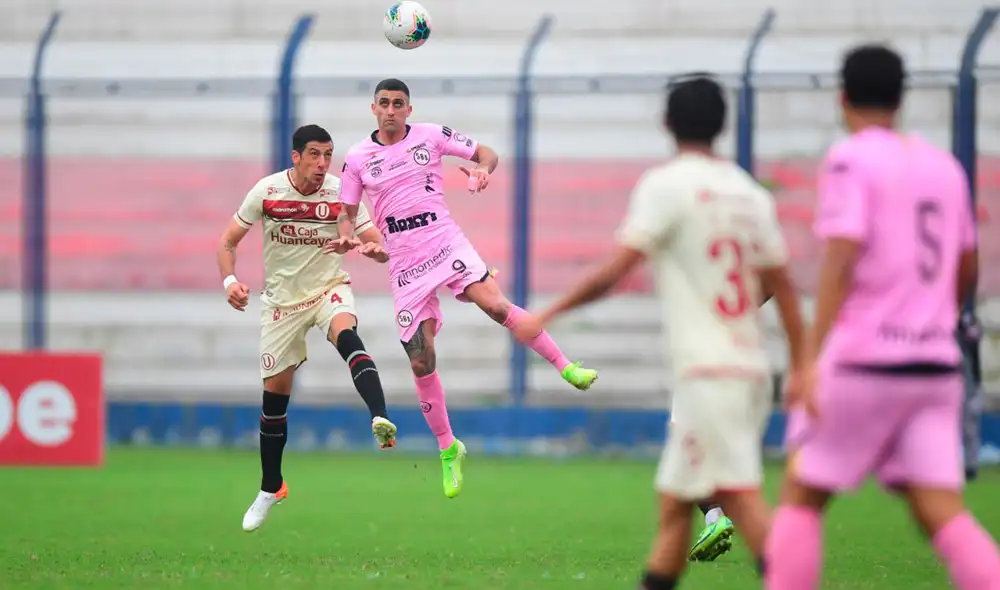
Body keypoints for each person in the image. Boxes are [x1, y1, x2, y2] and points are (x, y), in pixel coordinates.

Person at [518, 73, 806, 589]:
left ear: (667, 122)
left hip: (708, 371)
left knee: (736, 496)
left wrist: (550, 313)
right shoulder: (748, 193)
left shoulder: (667, 185)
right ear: (722, 125)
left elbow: (616, 268)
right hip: (747, 367)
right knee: (675, 508)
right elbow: (781, 285)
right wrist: (802, 362)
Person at [764, 45, 1000, 589]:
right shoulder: (945, 167)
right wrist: (933, 318)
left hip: (866, 359)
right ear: (902, 97)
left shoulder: (851, 158)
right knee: (940, 507)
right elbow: (966, 265)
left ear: (841, 97)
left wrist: (811, 357)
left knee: (801, 495)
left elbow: (841, 257)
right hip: (935, 366)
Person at [335, 78, 599, 499]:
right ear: (373, 109)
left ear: (408, 109)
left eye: (397, 103)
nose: (390, 110)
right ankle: (448, 448)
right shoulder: (356, 158)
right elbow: (345, 214)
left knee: (495, 305)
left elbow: (488, 154)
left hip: (444, 242)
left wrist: (482, 169)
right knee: (421, 362)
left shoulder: (431, 135)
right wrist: (352, 238)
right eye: (383, 103)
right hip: (404, 263)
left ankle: (566, 366)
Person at [217, 124, 397, 532]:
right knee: (274, 398)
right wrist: (230, 281)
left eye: (327, 155)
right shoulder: (266, 192)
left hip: (328, 289)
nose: (321, 164)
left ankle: (380, 418)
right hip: (282, 304)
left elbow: (377, 242)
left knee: (347, 335)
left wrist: (371, 248)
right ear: (295, 156)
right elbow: (227, 243)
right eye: (314, 154)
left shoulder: (341, 193)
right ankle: (271, 487)